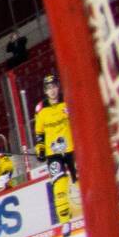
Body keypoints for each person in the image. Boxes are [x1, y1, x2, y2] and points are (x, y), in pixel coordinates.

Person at [33, 74, 77, 222]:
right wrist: (40, 149)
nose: (52, 91)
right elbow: (39, 132)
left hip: (72, 150)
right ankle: (64, 221)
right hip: (53, 154)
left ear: (58, 87)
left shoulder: (68, 100)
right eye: (48, 88)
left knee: (82, 181)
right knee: (59, 185)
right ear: (45, 91)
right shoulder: (41, 109)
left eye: (53, 87)